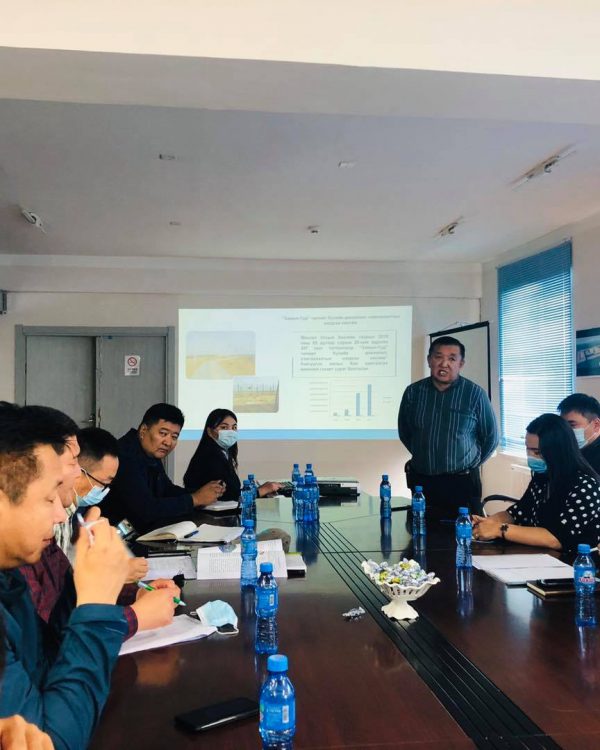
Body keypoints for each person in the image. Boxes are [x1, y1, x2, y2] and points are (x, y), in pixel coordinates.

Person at [0, 403, 131, 749]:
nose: (61, 514)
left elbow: (47, 670)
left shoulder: (9, 576)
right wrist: (97, 605)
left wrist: (85, 584)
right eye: (49, 498)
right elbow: (52, 742)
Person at [398, 336, 498, 517]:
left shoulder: (475, 394)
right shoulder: (413, 392)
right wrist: (426, 455)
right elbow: (405, 432)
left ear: (461, 364)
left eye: (452, 358)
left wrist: (470, 464)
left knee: (465, 532)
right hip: (422, 481)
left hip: (462, 482)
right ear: (429, 360)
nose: (444, 364)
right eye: (438, 357)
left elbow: (490, 437)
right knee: (420, 530)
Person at [472, 413, 600, 551]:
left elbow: (556, 538)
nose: (531, 456)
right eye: (528, 449)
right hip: (540, 555)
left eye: (537, 452)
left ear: (558, 451)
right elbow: (518, 512)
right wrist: (489, 522)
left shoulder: (585, 486)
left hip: (574, 560)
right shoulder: (543, 477)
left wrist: (499, 529)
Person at [101, 403, 225, 532]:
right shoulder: (125, 456)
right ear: (143, 431)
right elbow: (146, 509)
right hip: (116, 535)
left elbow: (166, 490)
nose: (168, 442)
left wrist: (202, 492)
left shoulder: (149, 452)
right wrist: (195, 499)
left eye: (174, 437)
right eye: (163, 433)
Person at [183, 408, 281, 501]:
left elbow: (232, 491)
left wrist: (262, 491)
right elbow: (229, 496)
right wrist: (262, 490)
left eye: (234, 427)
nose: (230, 432)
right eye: (224, 427)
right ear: (210, 432)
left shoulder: (223, 454)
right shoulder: (209, 458)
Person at [558, 393, 600, 473]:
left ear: (596, 424)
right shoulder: (569, 448)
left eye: (572, 425)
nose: (565, 430)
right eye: (563, 425)